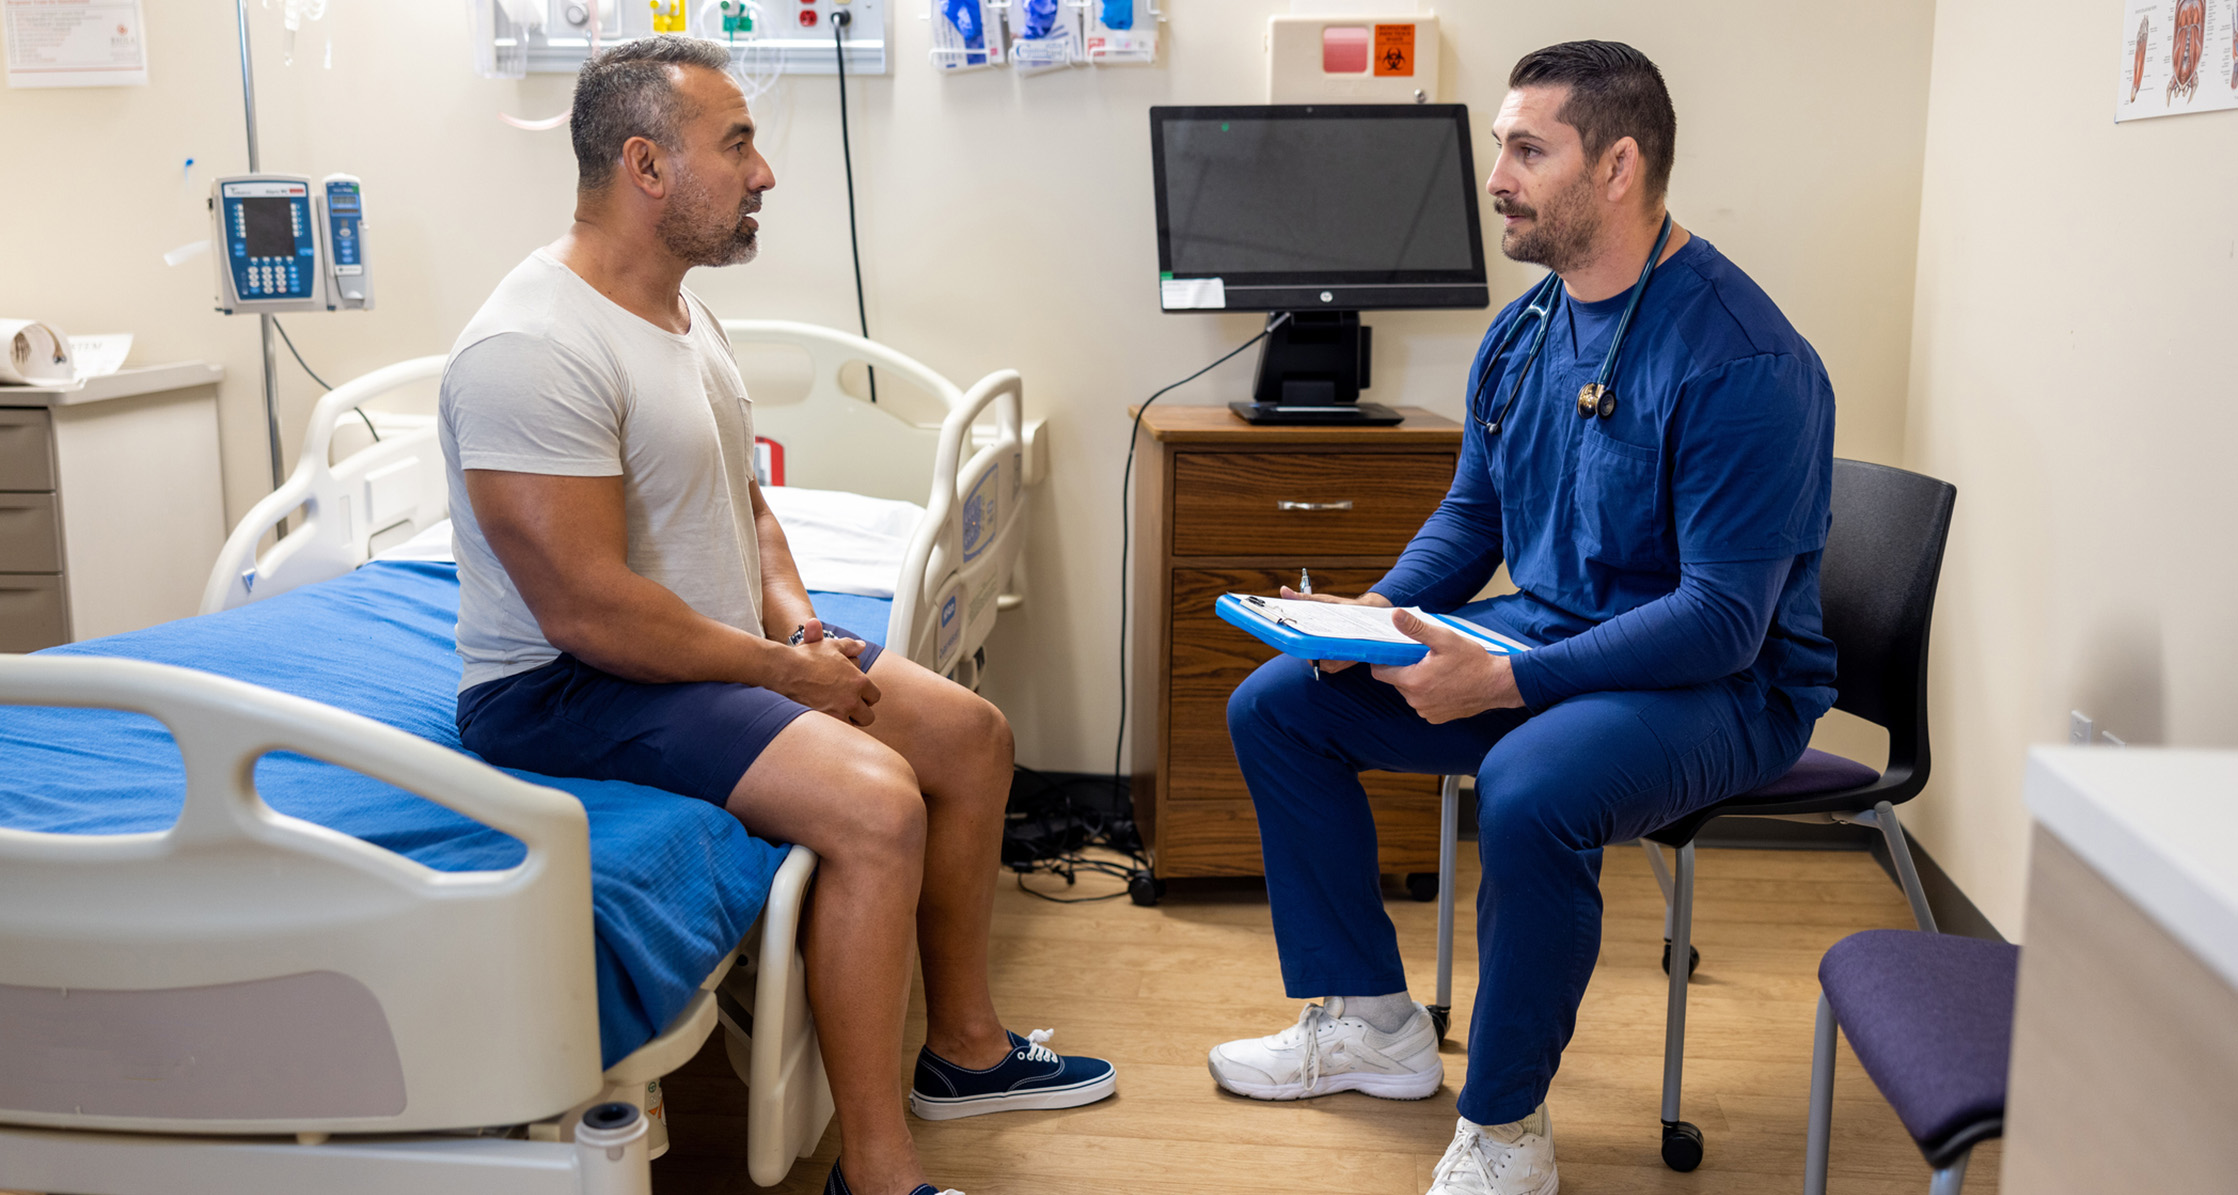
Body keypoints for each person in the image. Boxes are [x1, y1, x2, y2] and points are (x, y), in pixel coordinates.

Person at [437, 37, 1114, 1195]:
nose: (765, 174)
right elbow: (587, 609)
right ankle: (879, 1171)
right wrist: (778, 675)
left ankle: (965, 1051)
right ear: (646, 166)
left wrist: (799, 632)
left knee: (970, 735)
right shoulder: (531, 346)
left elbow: (746, 510)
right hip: (562, 689)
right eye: (737, 143)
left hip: (689, 659)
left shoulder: (679, 314)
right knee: (876, 803)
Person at [1210, 40, 1838, 1195]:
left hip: (1722, 686)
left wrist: (1500, 683)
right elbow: (1472, 515)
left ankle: (1504, 1129)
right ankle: (1373, 1025)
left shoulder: (1743, 361)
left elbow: (1721, 622)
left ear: (1617, 167)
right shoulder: (1529, 328)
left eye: (1527, 149)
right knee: (1282, 706)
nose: (1495, 173)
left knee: (1535, 785)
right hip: (1549, 636)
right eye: (1501, 143)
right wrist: (1377, 615)